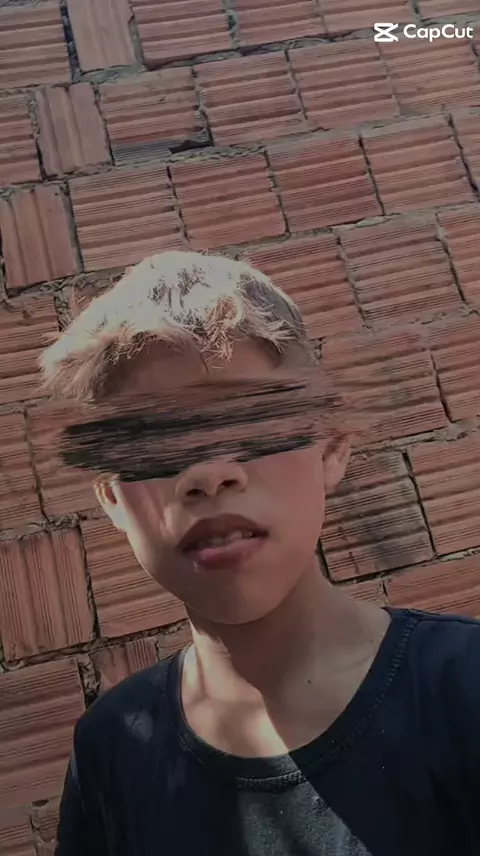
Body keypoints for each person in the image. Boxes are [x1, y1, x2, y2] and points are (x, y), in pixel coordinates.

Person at [43, 251, 480, 856]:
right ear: (114, 499)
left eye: (249, 421)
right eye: (154, 441)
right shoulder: (110, 751)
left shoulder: (465, 688)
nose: (207, 473)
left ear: (330, 448)